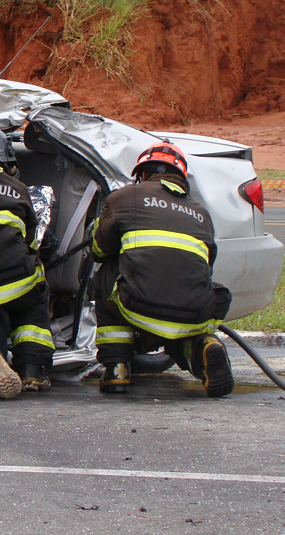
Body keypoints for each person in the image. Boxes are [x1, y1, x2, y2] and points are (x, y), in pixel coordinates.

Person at [91, 141, 234, 397]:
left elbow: (99, 250)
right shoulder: (201, 213)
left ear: (142, 174)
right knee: (191, 313)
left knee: (107, 274)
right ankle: (204, 345)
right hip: (195, 310)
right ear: (181, 177)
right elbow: (206, 266)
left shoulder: (124, 197)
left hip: (139, 304)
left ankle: (116, 367)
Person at [0, 128, 54, 398]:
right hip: (19, 279)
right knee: (31, 308)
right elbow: (31, 242)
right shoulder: (19, 188)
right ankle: (33, 370)